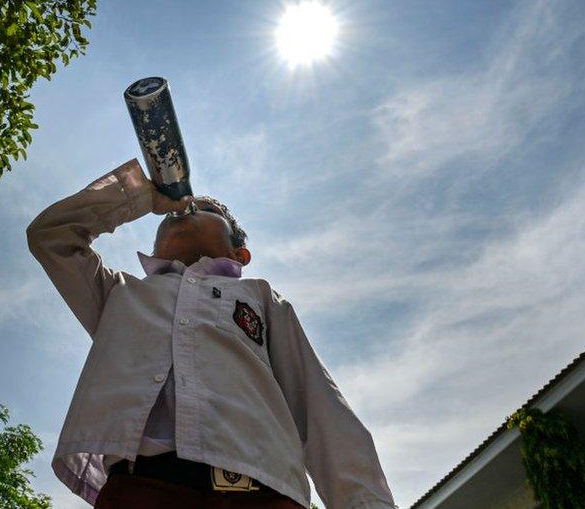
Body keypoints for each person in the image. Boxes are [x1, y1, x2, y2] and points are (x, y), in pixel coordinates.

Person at [26, 158, 396, 508]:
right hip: (140, 488)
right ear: (155, 247)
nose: (184, 208)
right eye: (172, 210)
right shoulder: (120, 293)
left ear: (240, 253)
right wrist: (140, 195)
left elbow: (319, 404)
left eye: (206, 209)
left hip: (264, 490)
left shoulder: (262, 298)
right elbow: (51, 236)